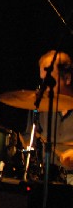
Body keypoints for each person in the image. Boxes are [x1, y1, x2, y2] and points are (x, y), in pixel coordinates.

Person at [22, 50, 73, 184]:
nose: (44, 86)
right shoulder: (40, 107)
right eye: (42, 80)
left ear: (67, 78)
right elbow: (29, 141)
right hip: (45, 177)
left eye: (49, 81)